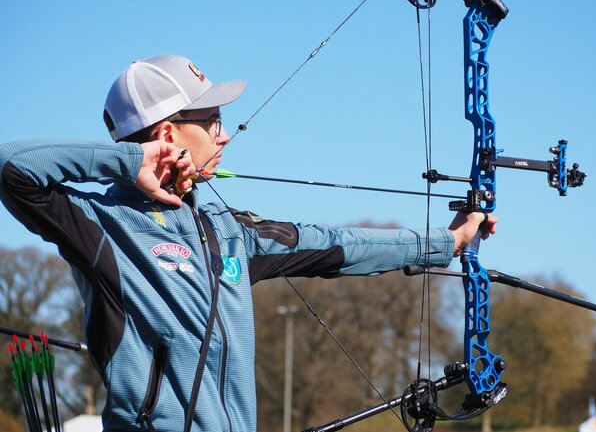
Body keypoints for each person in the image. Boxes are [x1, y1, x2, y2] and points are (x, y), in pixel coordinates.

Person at [0, 55, 497, 432]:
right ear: (168, 133)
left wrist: (446, 242)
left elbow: (337, 246)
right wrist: (131, 162)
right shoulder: (99, 225)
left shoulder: (226, 231)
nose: (224, 136)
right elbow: (11, 165)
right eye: (212, 122)